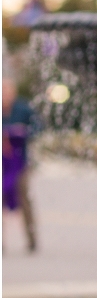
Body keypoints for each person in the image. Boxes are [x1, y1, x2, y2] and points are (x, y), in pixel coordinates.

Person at [2, 78, 39, 252]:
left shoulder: (23, 109)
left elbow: (38, 126)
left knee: (24, 199)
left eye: (7, 91)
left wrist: (23, 131)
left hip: (19, 161)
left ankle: (32, 239)